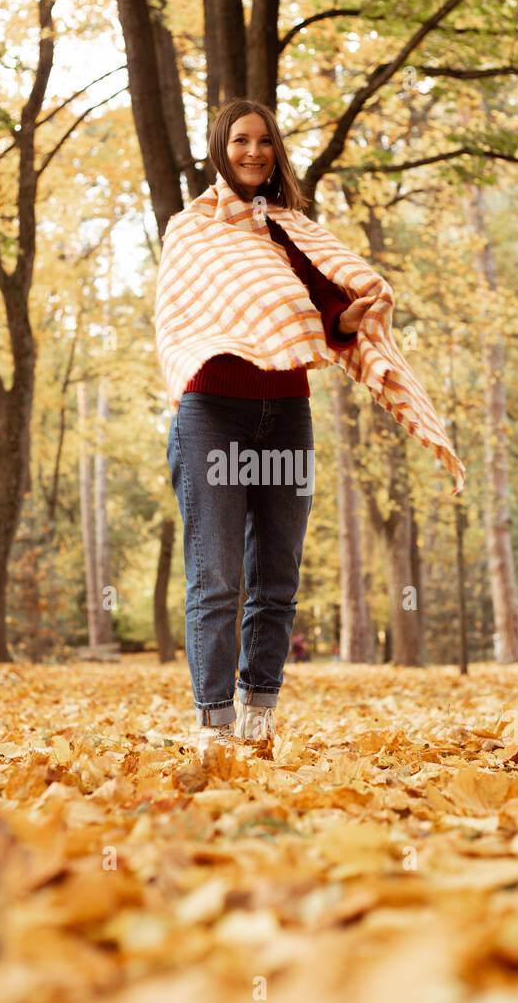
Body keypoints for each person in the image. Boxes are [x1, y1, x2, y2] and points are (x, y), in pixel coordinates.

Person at [155, 97, 464, 762]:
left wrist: (356, 315)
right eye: (240, 140)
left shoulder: (295, 231)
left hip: (285, 412)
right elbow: (186, 319)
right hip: (213, 411)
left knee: (276, 576)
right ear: (220, 148)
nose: (254, 152)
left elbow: (329, 319)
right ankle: (213, 727)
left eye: (265, 141)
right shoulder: (191, 230)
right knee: (216, 577)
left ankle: (258, 720)